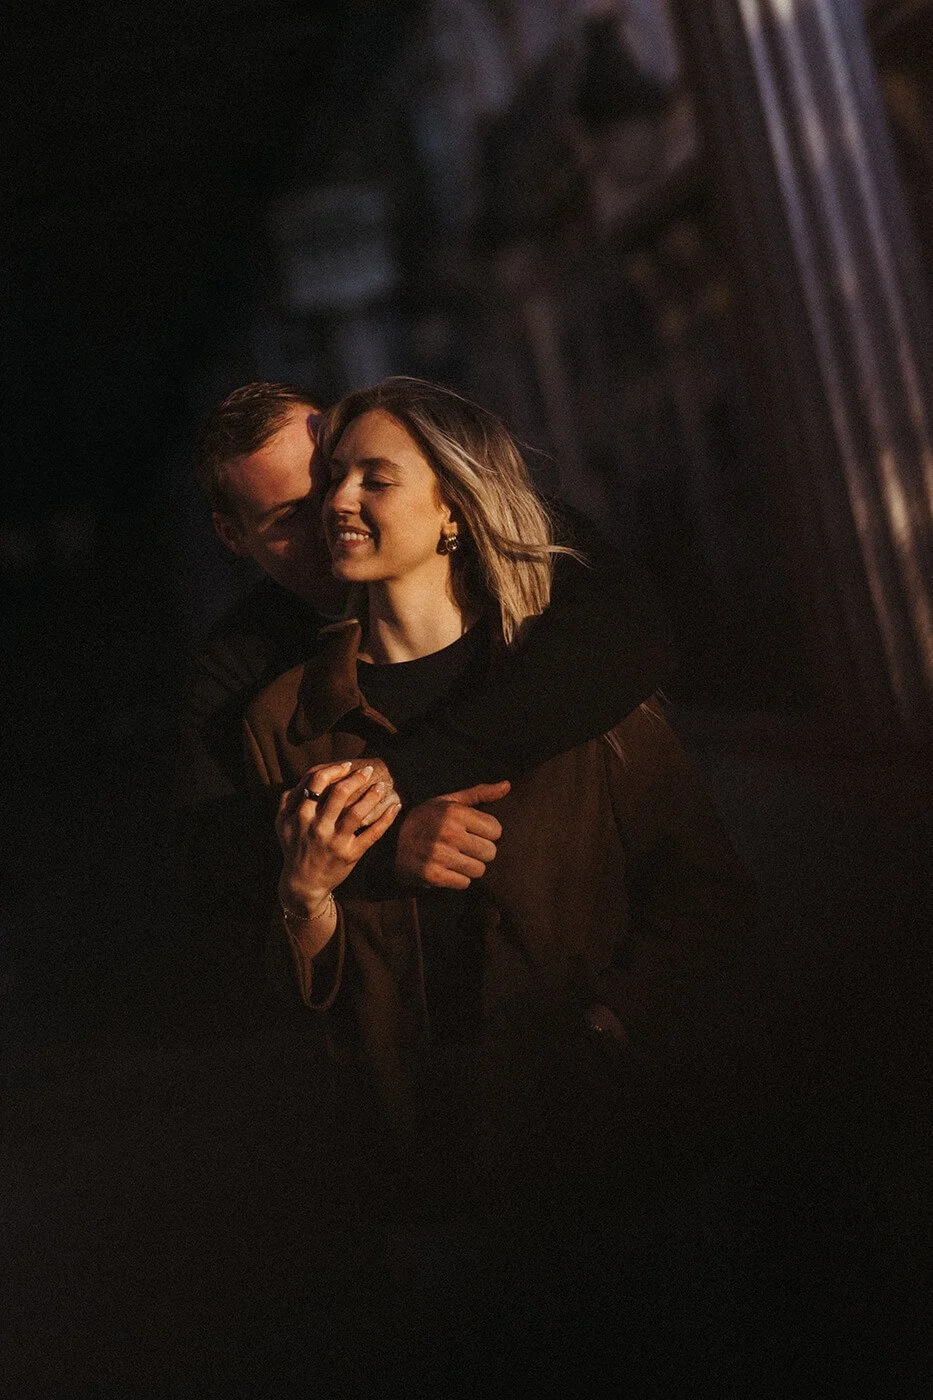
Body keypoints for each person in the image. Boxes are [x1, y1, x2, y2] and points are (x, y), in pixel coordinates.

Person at [241, 380, 756, 1375]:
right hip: (423, 1172)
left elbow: (708, 893)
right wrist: (306, 894)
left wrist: (608, 1025)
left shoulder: (569, 679)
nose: (338, 498)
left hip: (616, 1157)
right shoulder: (286, 722)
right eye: (333, 475)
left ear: (453, 511)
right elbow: (298, 1001)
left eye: (375, 478)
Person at [176, 380, 670, 1022]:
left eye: (341, 480)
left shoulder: (531, 594)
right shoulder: (244, 674)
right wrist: (381, 841)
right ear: (232, 536)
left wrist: (615, 1025)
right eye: (290, 517)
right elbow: (209, 848)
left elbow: (635, 631)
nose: (334, 512)